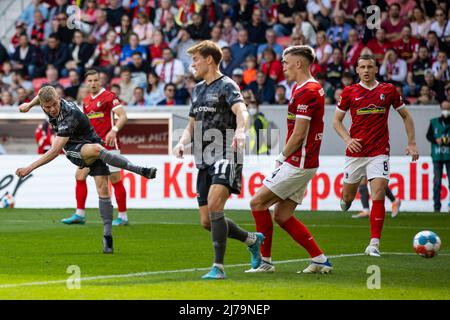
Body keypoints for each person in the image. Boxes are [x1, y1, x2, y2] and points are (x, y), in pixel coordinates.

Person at [16, 86, 157, 253]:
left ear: (59, 99)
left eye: (54, 104)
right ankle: (139, 170)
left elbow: (53, 152)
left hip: (88, 142)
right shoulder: (47, 102)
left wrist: (28, 168)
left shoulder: (69, 115)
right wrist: (28, 104)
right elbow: (42, 97)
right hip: (74, 149)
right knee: (97, 150)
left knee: (103, 189)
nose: (51, 109)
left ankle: (108, 238)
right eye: (47, 107)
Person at [173, 40, 263, 280]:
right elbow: (192, 124)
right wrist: (182, 142)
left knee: (215, 207)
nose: (192, 64)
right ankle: (252, 240)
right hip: (203, 158)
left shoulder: (227, 85)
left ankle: (218, 268)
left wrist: (242, 130)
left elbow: (241, 110)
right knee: (206, 221)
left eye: (195, 59)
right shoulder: (198, 89)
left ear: (209, 60)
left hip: (226, 152)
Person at [248, 45, 332, 274]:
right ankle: (320, 259)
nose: (282, 66)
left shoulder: (308, 91)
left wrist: (282, 157)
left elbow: (299, 134)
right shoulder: (302, 88)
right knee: (283, 216)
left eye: (286, 62)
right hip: (304, 161)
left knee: (257, 203)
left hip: (299, 162)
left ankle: (264, 262)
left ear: (299, 64)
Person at [333, 54, 419, 257]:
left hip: (379, 151)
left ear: (376, 68)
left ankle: (374, 244)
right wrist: (348, 140)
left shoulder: (388, 90)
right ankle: (346, 200)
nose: (366, 70)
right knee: (348, 197)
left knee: (378, 192)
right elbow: (336, 121)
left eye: (370, 66)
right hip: (355, 152)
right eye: (362, 67)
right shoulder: (349, 92)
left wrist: (412, 143)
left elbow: (406, 115)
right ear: (357, 70)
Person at [61, 69, 130, 226]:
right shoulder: (86, 101)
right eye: (90, 80)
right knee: (79, 175)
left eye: (95, 80)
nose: (93, 83)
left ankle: (123, 216)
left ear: (100, 81)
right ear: (86, 82)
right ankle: (79, 214)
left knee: (114, 179)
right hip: (91, 146)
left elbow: (123, 116)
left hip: (109, 144)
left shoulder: (109, 97)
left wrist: (114, 130)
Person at [426, 100, 450, 212]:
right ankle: (436, 207)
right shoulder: (434, 122)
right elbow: (428, 135)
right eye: (444, 108)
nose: (446, 111)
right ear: (441, 108)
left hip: (449, 156)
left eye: (448, 108)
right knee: (437, 182)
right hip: (437, 155)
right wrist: (435, 139)